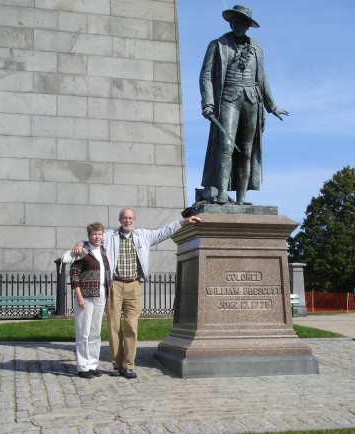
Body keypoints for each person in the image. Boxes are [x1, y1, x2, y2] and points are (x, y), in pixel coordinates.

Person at [73, 209, 201, 379]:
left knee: (131, 327)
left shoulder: (143, 236)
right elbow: (94, 238)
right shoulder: (110, 236)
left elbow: (163, 233)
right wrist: (80, 243)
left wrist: (182, 222)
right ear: (120, 219)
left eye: (130, 218)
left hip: (134, 285)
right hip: (115, 285)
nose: (127, 221)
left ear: (135, 220)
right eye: (125, 218)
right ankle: (117, 364)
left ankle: (128, 365)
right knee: (113, 327)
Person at [199, 5, 289, 205]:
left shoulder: (257, 48)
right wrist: (208, 102)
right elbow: (206, 76)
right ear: (231, 22)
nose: (238, 25)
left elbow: (262, 78)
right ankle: (222, 193)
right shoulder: (218, 45)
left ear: (248, 26)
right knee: (227, 146)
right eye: (235, 21)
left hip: (251, 100)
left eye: (242, 22)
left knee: (247, 151)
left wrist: (271, 105)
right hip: (228, 98)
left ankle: (241, 198)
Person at [69, 222, 111, 378]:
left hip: (100, 293)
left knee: (95, 332)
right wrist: (78, 295)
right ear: (89, 236)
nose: (97, 236)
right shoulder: (83, 251)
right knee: (83, 332)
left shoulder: (104, 251)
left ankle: (92, 364)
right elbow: (74, 274)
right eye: (94, 234)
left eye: (99, 233)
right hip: (85, 295)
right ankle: (83, 366)